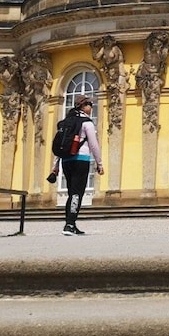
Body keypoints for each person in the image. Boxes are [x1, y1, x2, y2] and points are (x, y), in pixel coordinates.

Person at [50, 95, 104, 235]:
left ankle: (70, 223)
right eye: (90, 105)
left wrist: (55, 166)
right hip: (81, 160)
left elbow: (60, 146)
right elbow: (93, 144)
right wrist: (99, 163)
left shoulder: (66, 122)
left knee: (71, 192)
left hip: (67, 160)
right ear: (84, 106)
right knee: (77, 193)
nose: (91, 108)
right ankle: (69, 225)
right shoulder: (87, 123)